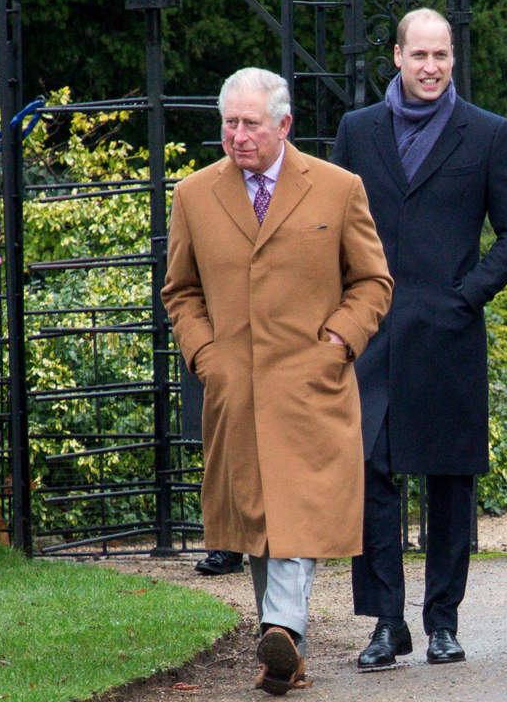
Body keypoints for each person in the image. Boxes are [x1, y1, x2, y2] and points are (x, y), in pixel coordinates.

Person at [162, 67, 392, 695]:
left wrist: (338, 343)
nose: (238, 136)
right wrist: (206, 355)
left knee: (297, 508)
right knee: (260, 518)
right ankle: (285, 649)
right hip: (235, 388)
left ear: (284, 125)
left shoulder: (338, 189)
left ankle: (282, 627)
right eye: (229, 124)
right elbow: (181, 291)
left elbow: (372, 281)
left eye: (251, 124)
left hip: (312, 384)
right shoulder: (194, 195)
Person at [331, 8, 507, 670]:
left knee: (449, 481)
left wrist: (466, 296)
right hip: (375, 333)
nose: (431, 66)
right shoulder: (359, 131)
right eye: (419, 54)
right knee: (372, 474)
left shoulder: (486, 133)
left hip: (449, 334)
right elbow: (329, 226)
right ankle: (387, 623)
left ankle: (443, 621)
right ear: (396, 56)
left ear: (453, 58)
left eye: (441, 55)